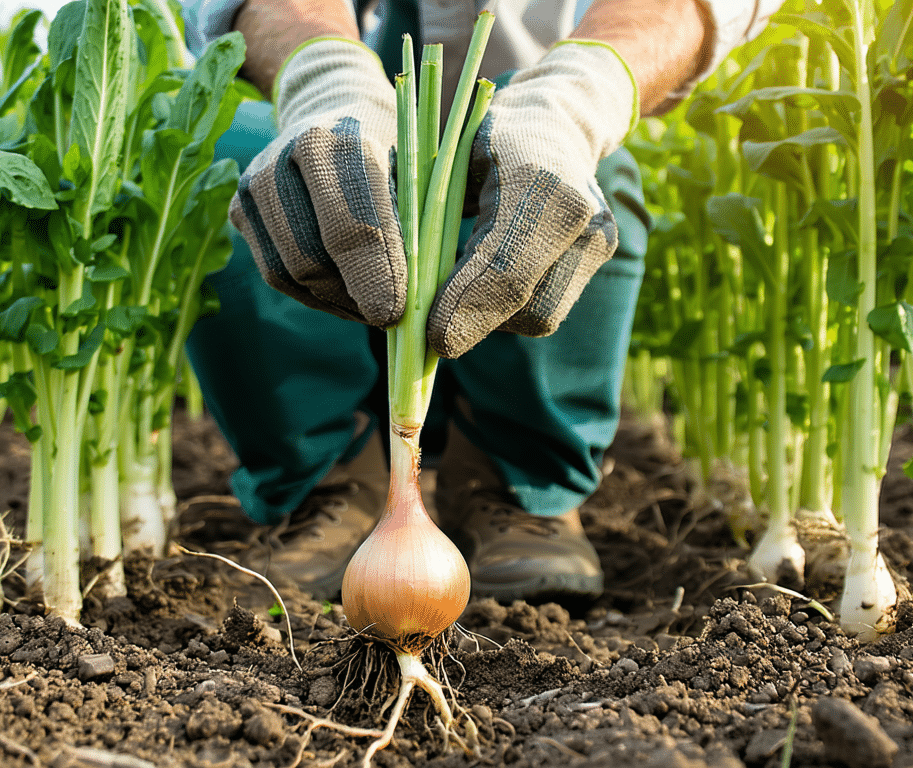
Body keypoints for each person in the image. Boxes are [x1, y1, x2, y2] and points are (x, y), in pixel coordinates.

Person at [181, 0, 779, 604]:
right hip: (353, 121)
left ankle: (515, 481)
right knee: (236, 151)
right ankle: (326, 479)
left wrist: (576, 99)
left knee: (599, 177)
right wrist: (324, 74)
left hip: (522, 101)